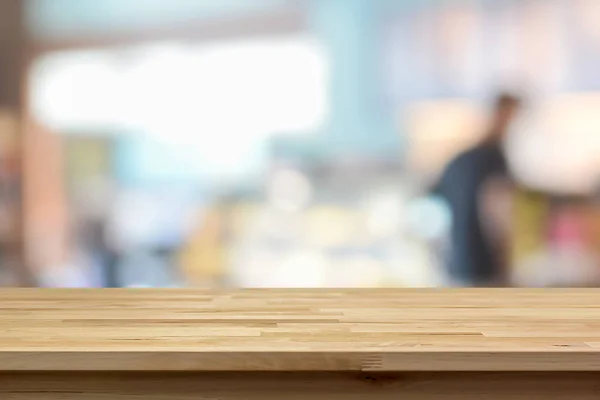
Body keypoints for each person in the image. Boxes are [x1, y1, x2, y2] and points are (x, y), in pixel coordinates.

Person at [434, 93, 522, 286]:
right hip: (484, 267)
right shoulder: (492, 160)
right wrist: (504, 260)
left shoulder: (460, 161)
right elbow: (497, 215)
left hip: (456, 266)